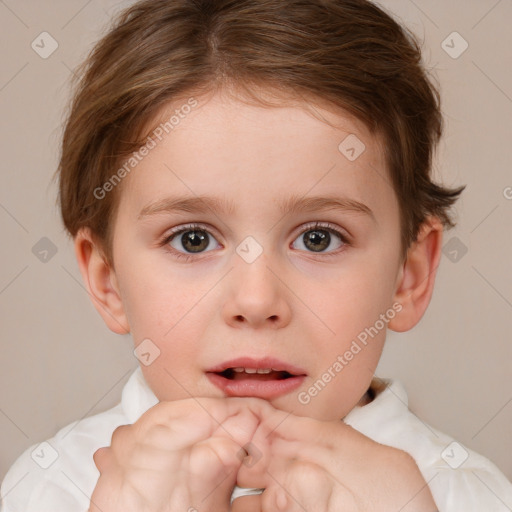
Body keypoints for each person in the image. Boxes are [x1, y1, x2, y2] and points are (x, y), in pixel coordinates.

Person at [1, 0, 511, 510]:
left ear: (408, 277)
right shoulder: (52, 489)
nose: (256, 299)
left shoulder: (467, 496)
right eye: (193, 239)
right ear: (107, 279)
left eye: (318, 238)